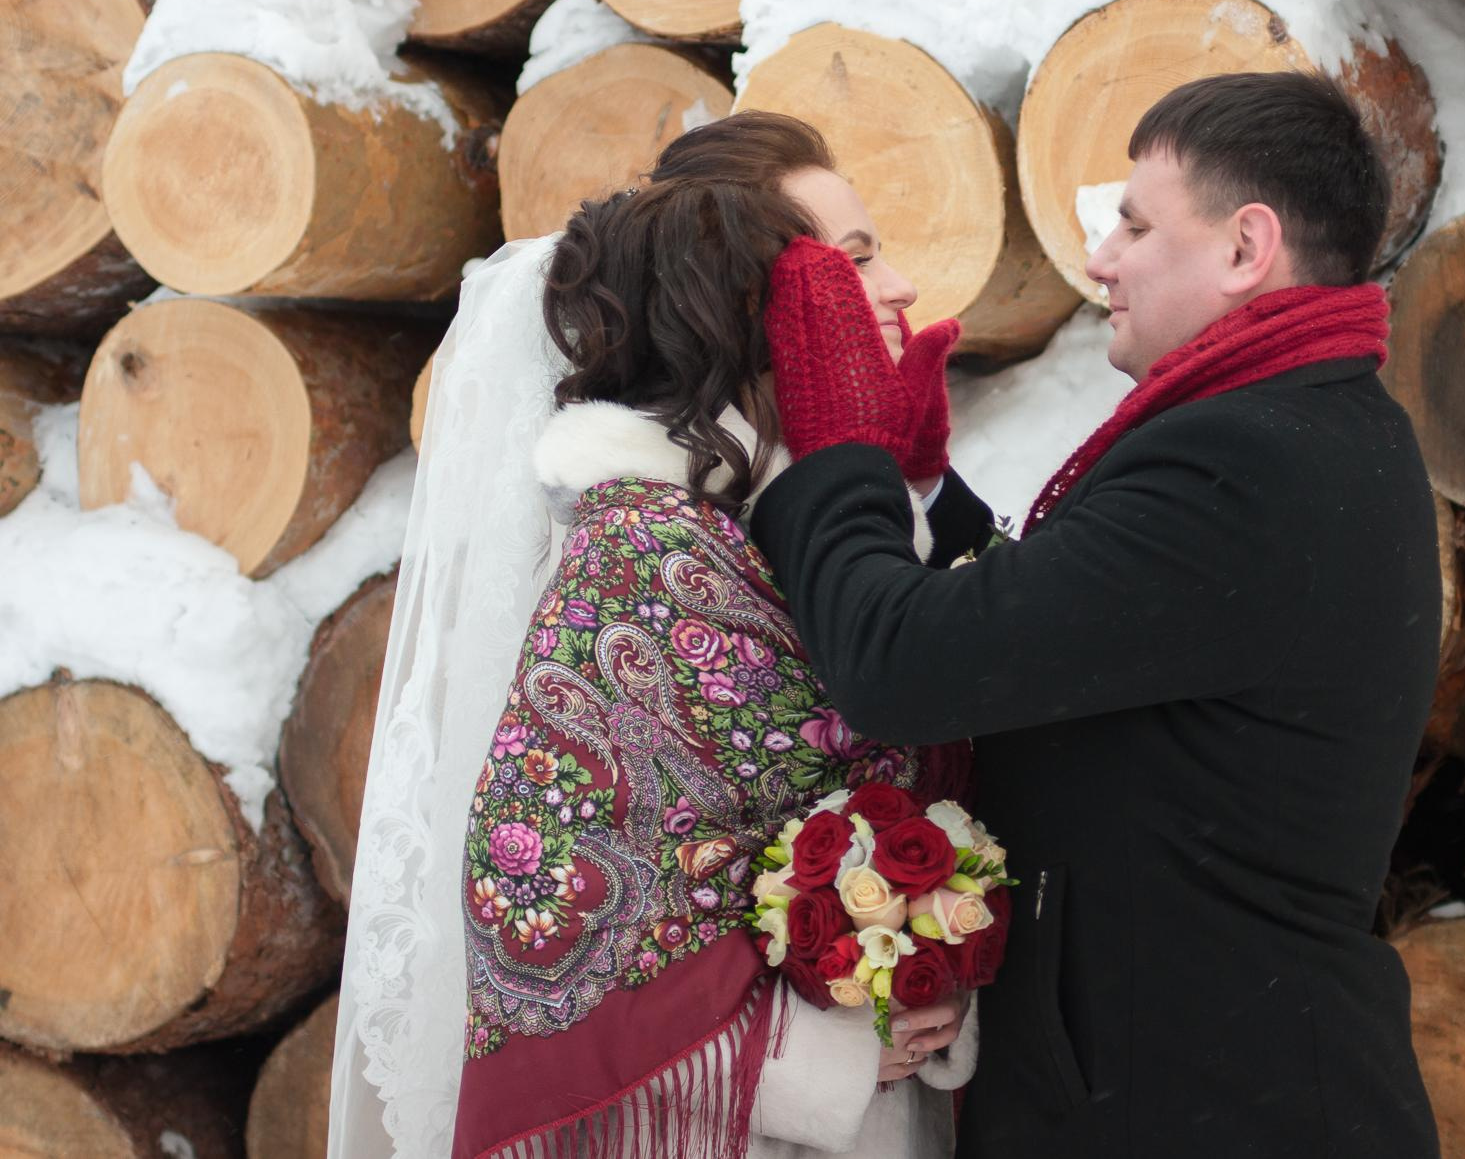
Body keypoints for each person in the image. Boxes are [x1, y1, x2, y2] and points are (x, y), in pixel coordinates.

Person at [746, 71, 1443, 1156]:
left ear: (1242, 248)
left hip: (1203, 1108)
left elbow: (902, 663)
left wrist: (840, 454)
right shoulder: (1304, 427)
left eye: (1131, 221)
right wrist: (924, 487)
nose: (1101, 258)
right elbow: (1068, 627)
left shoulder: (1247, 463)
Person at [327, 113, 985, 1159]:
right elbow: (541, 902)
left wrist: (924, 977)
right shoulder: (641, 554)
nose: (901, 285)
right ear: (756, 310)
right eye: (852, 265)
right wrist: (838, 1051)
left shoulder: (834, 529)